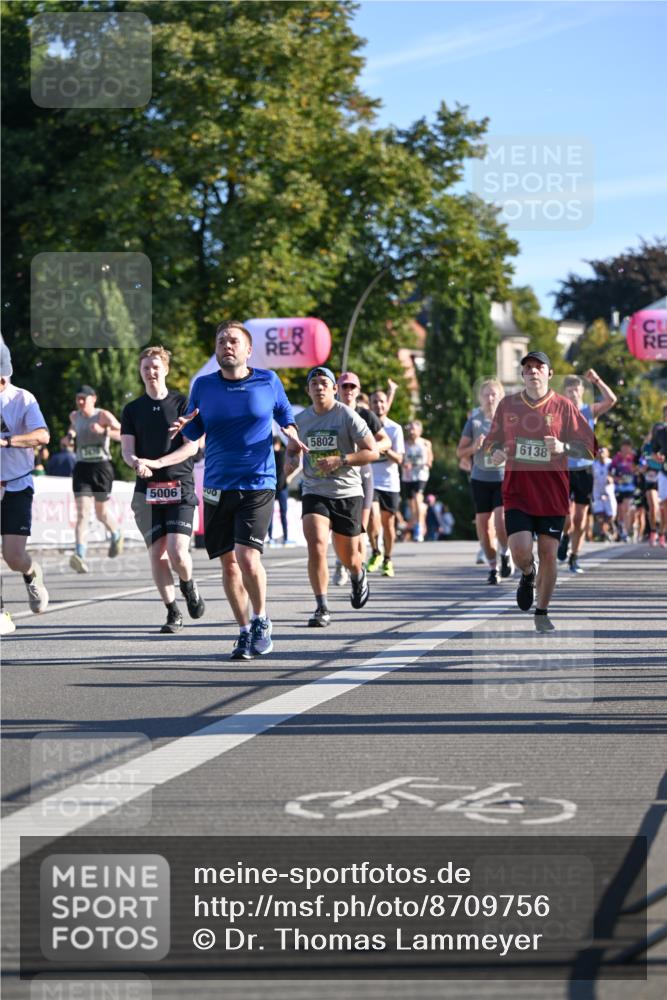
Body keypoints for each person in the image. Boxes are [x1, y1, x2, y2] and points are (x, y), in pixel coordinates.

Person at [170, 320, 307, 660]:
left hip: (258, 481)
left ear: (248, 350)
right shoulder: (203, 385)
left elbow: (286, 416)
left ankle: (261, 620)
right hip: (217, 485)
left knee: (247, 558)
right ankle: (244, 630)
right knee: (229, 565)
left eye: (233, 341)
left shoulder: (268, 381)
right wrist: (185, 427)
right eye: (220, 342)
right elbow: (196, 426)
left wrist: (291, 436)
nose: (226, 346)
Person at [485, 350, 596, 633]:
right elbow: (491, 443)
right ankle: (526, 572)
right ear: (522, 375)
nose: (533, 371)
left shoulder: (564, 407)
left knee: (549, 552)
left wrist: (563, 448)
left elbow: (590, 448)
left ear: (549, 373)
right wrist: (496, 453)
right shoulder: (508, 405)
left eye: (539, 367)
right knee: (521, 550)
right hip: (517, 491)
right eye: (528, 367)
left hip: (552, 493)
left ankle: (542, 611)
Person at [120, 346, 206, 634]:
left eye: (156, 366)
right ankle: (172, 611)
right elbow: (127, 451)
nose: (151, 371)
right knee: (157, 553)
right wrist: (137, 464)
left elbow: (191, 446)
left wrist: (157, 462)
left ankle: (188, 584)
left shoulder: (183, 404)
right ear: (140, 371)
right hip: (147, 491)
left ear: (166, 369)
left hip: (179, 485)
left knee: (177, 552)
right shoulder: (132, 409)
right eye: (145, 367)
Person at [286, 366, 379, 626]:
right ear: (308, 389)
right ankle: (321, 606)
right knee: (316, 543)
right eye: (313, 383)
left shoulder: (347, 416)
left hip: (347, 492)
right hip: (315, 489)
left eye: (324, 382)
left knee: (348, 555)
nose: (319, 387)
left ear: (334, 389)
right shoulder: (301, 420)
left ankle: (358, 574)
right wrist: (290, 461)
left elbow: (372, 451)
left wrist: (342, 459)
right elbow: (293, 449)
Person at [0, 336, 49, 634]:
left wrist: (7, 441)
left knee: (13, 557)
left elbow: (43, 436)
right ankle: (2, 613)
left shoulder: (23, 399)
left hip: (17, 484)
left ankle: (31, 574)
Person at [333, 371, 390, 584]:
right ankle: (341, 562)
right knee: (337, 528)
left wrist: (369, 449)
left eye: (352, 387)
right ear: (336, 389)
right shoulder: (330, 412)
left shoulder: (366, 415)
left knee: (359, 529)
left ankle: (358, 573)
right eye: (344, 386)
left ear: (358, 391)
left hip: (362, 476)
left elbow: (385, 442)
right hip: (335, 478)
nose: (348, 391)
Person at [558, 370, 617, 573]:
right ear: (565, 392)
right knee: (565, 517)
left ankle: (574, 556)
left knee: (580, 518)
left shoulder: (589, 411)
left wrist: (598, 380)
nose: (573, 392)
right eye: (570, 389)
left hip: (585, 469)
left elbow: (611, 400)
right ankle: (564, 537)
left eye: (577, 388)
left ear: (582, 390)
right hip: (564, 469)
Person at [457, 378, 512, 584]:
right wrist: (474, 448)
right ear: (480, 397)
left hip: (501, 477)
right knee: (483, 526)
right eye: (486, 394)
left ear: (501, 396)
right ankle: (492, 566)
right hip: (480, 478)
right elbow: (459, 451)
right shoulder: (474, 420)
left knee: (500, 521)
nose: (490, 398)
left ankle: (506, 553)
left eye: (494, 394)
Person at [68, 385, 123, 573]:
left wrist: (104, 431)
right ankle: (80, 555)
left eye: (84, 398)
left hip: (101, 468)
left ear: (94, 399)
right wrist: (69, 436)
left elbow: (124, 434)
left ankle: (116, 533)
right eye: (78, 399)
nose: (81, 402)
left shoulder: (103, 415)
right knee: (83, 513)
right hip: (82, 467)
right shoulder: (74, 416)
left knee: (101, 514)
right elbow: (73, 429)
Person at [367, 389, 405, 577]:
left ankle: (388, 559)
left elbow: (399, 459)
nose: (378, 405)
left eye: (382, 401)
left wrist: (385, 449)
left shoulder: (394, 428)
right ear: (370, 404)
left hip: (390, 482)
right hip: (370, 480)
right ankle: (375, 552)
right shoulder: (364, 426)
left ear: (386, 404)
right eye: (375, 402)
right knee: (372, 518)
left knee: (388, 524)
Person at [401, 419, 433, 542]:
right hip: (407, 477)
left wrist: (422, 463)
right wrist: (405, 463)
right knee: (411, 505)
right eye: (410, 429)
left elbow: (430, 460)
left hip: (421, 475)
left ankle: (418, 528)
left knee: (417, 498)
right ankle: (419, 519)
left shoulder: (425, 443)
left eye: (414, 428)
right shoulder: (404, 444)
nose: (411, 431)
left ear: (420, 430)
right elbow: (401, 459)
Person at [266, 436, 296, 547]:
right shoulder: (283, 454)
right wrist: (290, 477)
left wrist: (290, 476)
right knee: (283, 514)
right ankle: (285, 538)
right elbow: (297, 464)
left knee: (272, 514)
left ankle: (272, 538)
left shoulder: (271, 455)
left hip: (274, 487)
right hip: (281, 487)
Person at [610, 439, 637, 542]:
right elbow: (610, 472)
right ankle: (621, 529)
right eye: (623, 447)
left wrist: (635, 469)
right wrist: (616, 478)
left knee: (626, 509)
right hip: (618, 488)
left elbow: (640, 467)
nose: (625, 450)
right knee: (619, 511)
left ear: (630, 449)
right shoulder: (617, 459)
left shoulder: (633, 458)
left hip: (630, 488)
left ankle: (626, 532)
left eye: (627, 448)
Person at [591, 446, 617, 542]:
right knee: (599, 514)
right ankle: (604, 533)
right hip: (597, 492)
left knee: (610, 515)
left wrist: (612, 478)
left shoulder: (611, 463)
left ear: (607, 453)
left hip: (609, 492)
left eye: (603, 451)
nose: (601, 453)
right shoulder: (594, 464)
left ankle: (609, 528)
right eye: (600, 451)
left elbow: (616, 474)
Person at [650, 403, 667, 547]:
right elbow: (653, 451)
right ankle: (661, 533)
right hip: (664, 473)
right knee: (665, 505)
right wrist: (657, 457)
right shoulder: (660, 432)